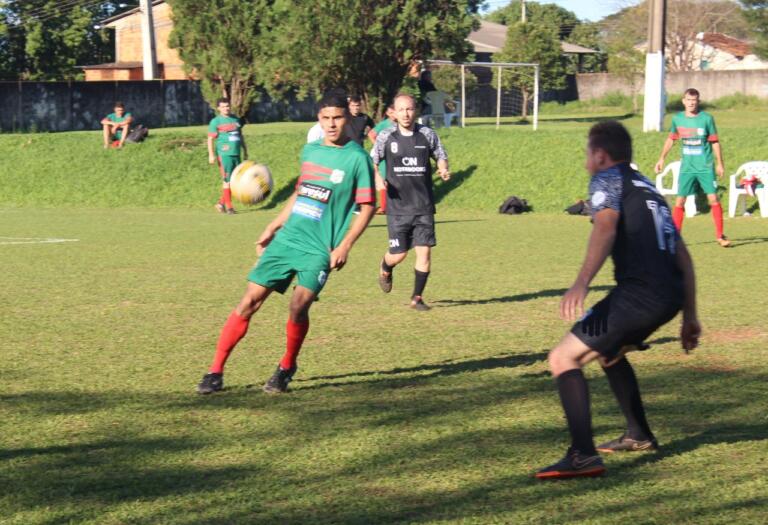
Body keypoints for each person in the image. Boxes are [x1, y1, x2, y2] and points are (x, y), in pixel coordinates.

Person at [536, 121, 700, 480]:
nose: (586, 162)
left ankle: (582, 455)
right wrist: (689, 314)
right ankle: (638, 433)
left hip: (640, 294)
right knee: (609, 353)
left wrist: (580, 283)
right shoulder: (648, 188)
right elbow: (683, 255)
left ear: (600, 155)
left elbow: (605, 226)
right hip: (667, 294)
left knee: (563, 358)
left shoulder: (607, 179)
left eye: (587, 155)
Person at [196, 92, 376, 395]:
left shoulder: (357, 158)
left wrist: (344, 246)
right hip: (288, 238)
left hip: (320, 248)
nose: (332, 124)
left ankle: (286, 366)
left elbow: (368, 205)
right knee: (248, 302)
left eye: (338, 118)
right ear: (318, 119)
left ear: (348, 118)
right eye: (326, 118)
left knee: (298, 306)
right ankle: (215, 371)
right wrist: (273, 225)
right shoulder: (310, 151)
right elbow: (301, 193)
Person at [371, 93, 450, 311]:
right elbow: (373, 161)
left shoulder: (427, 134)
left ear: (415, 111)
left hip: (423, 205)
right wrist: (378, 178)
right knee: (399, 254)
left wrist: (442, 168)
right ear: (393, 113)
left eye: (409, 109)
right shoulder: (386, 136)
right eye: (401, 109)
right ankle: (385, 267)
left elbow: (441, 154)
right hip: (398, 207)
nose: (406, 114)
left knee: (424, 252)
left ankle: (417, 298)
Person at [654, 88, 730, 247]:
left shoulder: (707, 119)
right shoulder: (677, 119)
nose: (691, 103)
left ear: (698, 102)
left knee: (713, 198)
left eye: (694, 101)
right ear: (683, 101)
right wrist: (661, 158)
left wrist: (720, 163)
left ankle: (720, 236)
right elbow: (671, 139)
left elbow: (715, 142)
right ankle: (675, 238)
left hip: (705, 166)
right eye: (688, 100)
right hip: (687, 167)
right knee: (680, 201)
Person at [207, 98, 248, 215]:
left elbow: (240, 135)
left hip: (236, 154)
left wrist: (245, 150)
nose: (226, 108)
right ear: (219, 108)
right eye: (224, 106)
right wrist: (211, 155)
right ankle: (229, 207)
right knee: (227, 181)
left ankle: (221, 203)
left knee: (235, 181)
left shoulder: (235, 120)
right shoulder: (215, 121)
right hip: (224, 155)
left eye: (228, 106)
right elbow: (210, 139)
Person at [370, 102, 396, 213]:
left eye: (394, 112)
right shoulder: (384, 124)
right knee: (384, 179)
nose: (393, 114)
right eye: (390, 112)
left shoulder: (401, 124)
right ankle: (384, 207)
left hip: (398, 155)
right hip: (385, 157)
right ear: (387, 113)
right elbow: (371, 134)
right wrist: (378, 146)